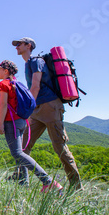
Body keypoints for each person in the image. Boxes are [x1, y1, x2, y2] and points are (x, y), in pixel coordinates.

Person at [13, 37, 82, 190]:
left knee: (60, 147)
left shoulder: (36, 61)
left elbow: (36, 86)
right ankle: (20, 179)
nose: (16, 47)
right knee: (23, 146)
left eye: (19, 44)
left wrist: (27, 108)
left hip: (50, 107)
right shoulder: (28, 63)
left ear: (28, 46)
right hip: (38, 109)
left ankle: (76, 187)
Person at [0, 60, 62, 191]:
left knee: (18, 153)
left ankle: (48, 181)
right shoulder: (18, 84)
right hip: (22, 122)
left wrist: (1, 124)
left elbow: (3, 105)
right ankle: (24, 182)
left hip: (11, 122)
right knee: (21, 153)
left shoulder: (4, 84)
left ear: (6, 71)